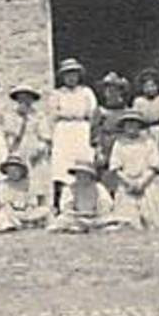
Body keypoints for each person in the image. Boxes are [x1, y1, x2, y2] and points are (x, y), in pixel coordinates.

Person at [46, 58, 99, 213]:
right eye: (67, 74)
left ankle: (85, 200)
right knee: (62, 165)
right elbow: (51, 116)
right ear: (62, 77)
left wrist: (92, 134)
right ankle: (61, 203)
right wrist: (51, 138)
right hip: (63, 131)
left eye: (74, 74)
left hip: (81, 130)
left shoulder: (86, 92)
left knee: (82, 161)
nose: (71, 78)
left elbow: (93, 113)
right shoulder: (57, 94)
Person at [105, 111, 159, 230]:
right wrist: (128, 182)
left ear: (139, 126)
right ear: (123, 127)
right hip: (127, 184)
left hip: (147, 184)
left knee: (154, 221)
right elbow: (115, 168)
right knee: (127, 222)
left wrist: (141, 182)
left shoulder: (149, 142)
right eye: (128, 124)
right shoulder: (119, 144)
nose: (131, 128)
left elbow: (154, 166)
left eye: (134, 124)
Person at [3, 83, 52, 207]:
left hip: (34, 146)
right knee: (20, 174)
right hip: (19, 147)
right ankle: (21, 203)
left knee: (38, 176)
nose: (24, 101)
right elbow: (10, 136)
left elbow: (45, 135)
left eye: (27, 98)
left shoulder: (38, 116)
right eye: (21, 98)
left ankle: (42, 205)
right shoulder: (12, 116)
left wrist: (41, 148)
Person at [47, 159, 115, 233]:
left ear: (90, 175)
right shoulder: (69, 189)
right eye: (78, 174)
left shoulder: (99, 188)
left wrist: (94, 214)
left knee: (108, 221)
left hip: (95, 218)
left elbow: (106, 207)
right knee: (62, 220)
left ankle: (86, 228)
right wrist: (78, 215)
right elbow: (65, 209)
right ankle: (78, 228)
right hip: (76, 218)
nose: (81, 177)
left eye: (84, 174)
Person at [0, 154, 49, 228]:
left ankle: (28, 223)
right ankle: (15, 224)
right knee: (4, 212)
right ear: (6, 172)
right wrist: (10, 208)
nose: (13, 173)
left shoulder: (29, 183)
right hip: (13, 212)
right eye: (10, 171)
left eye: (16, 170)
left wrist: (29, 208)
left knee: (44, 210)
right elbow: (4, 202)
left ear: (22, 171)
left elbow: (33, 201)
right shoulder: (4, 184)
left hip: (27, 211)